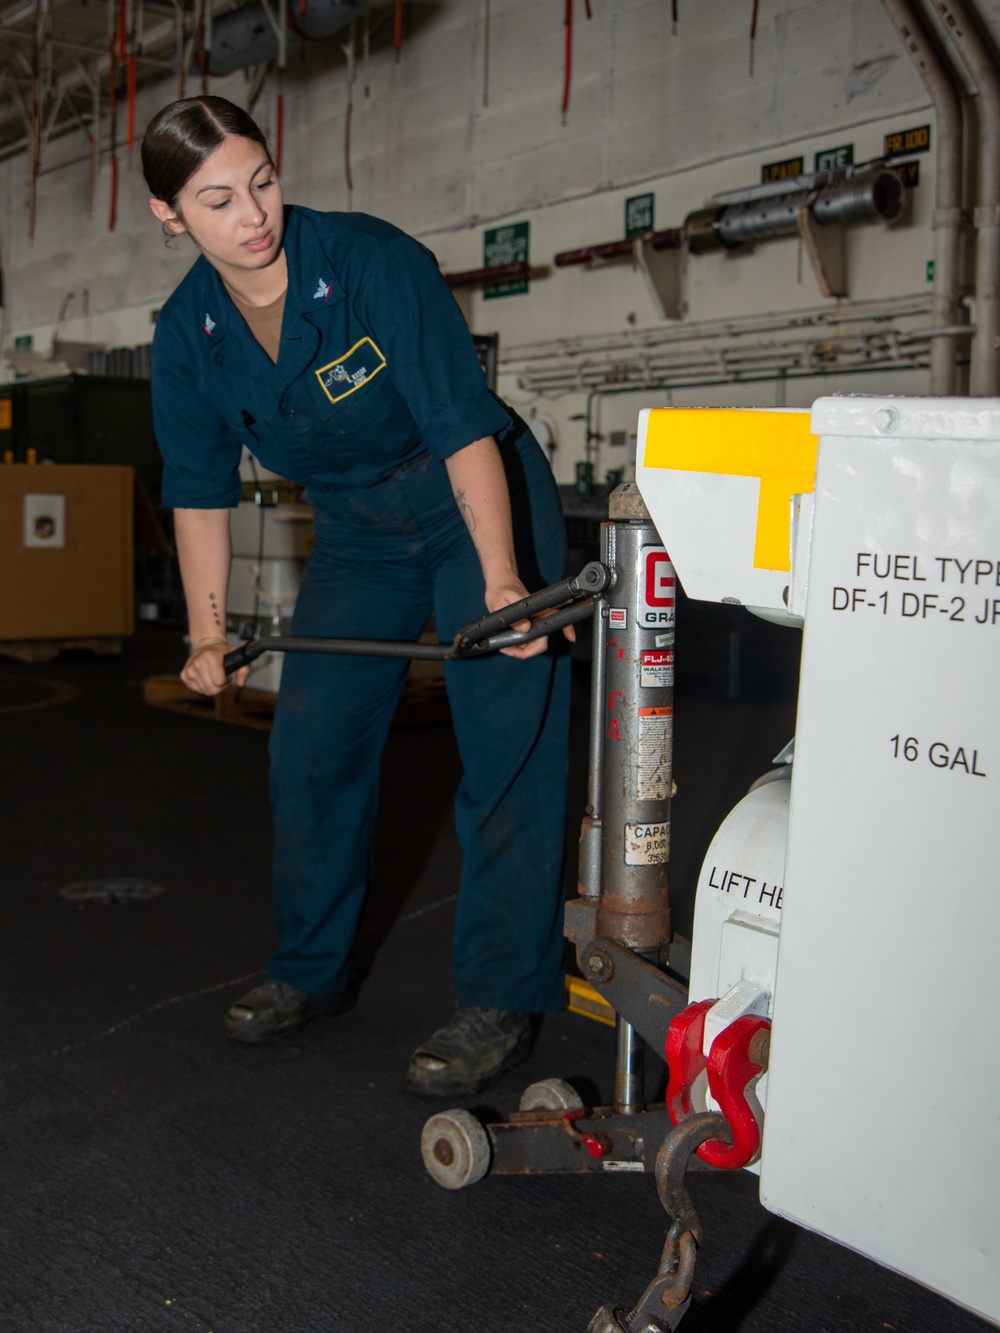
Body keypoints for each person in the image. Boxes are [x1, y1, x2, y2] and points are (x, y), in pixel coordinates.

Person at [142, 96, 572, 1097]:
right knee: (311, 747)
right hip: (358, 529)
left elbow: (464, 424)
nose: (252, 214)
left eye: (262, 180)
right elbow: (198, 491)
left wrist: (503, 581)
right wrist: (208, 635)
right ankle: (310, 971)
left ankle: (502, 994)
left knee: (506, 740)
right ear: (171, 217)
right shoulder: (185, 336)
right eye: (216, 200)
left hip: (475, 493)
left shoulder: (375, 263)